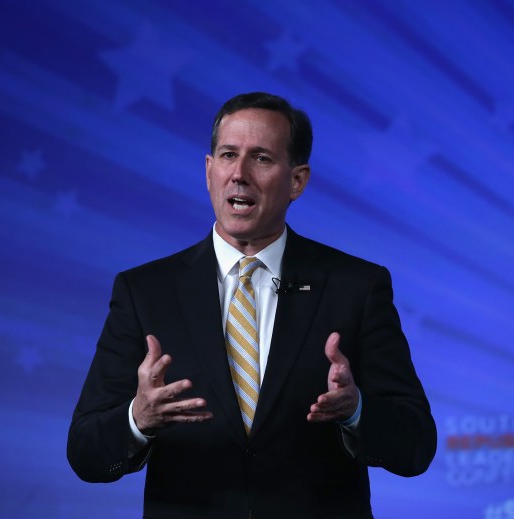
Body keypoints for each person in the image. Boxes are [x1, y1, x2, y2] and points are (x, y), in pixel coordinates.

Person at [67, 92, 436, 519]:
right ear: (208, 172)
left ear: (297, 180)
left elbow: (416, 447)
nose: (239, 174)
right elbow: (85, 453)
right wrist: (138, 419)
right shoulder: (144, 291)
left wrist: (356, 412)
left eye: (261, 158)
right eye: (227, 155)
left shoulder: (356, 287)